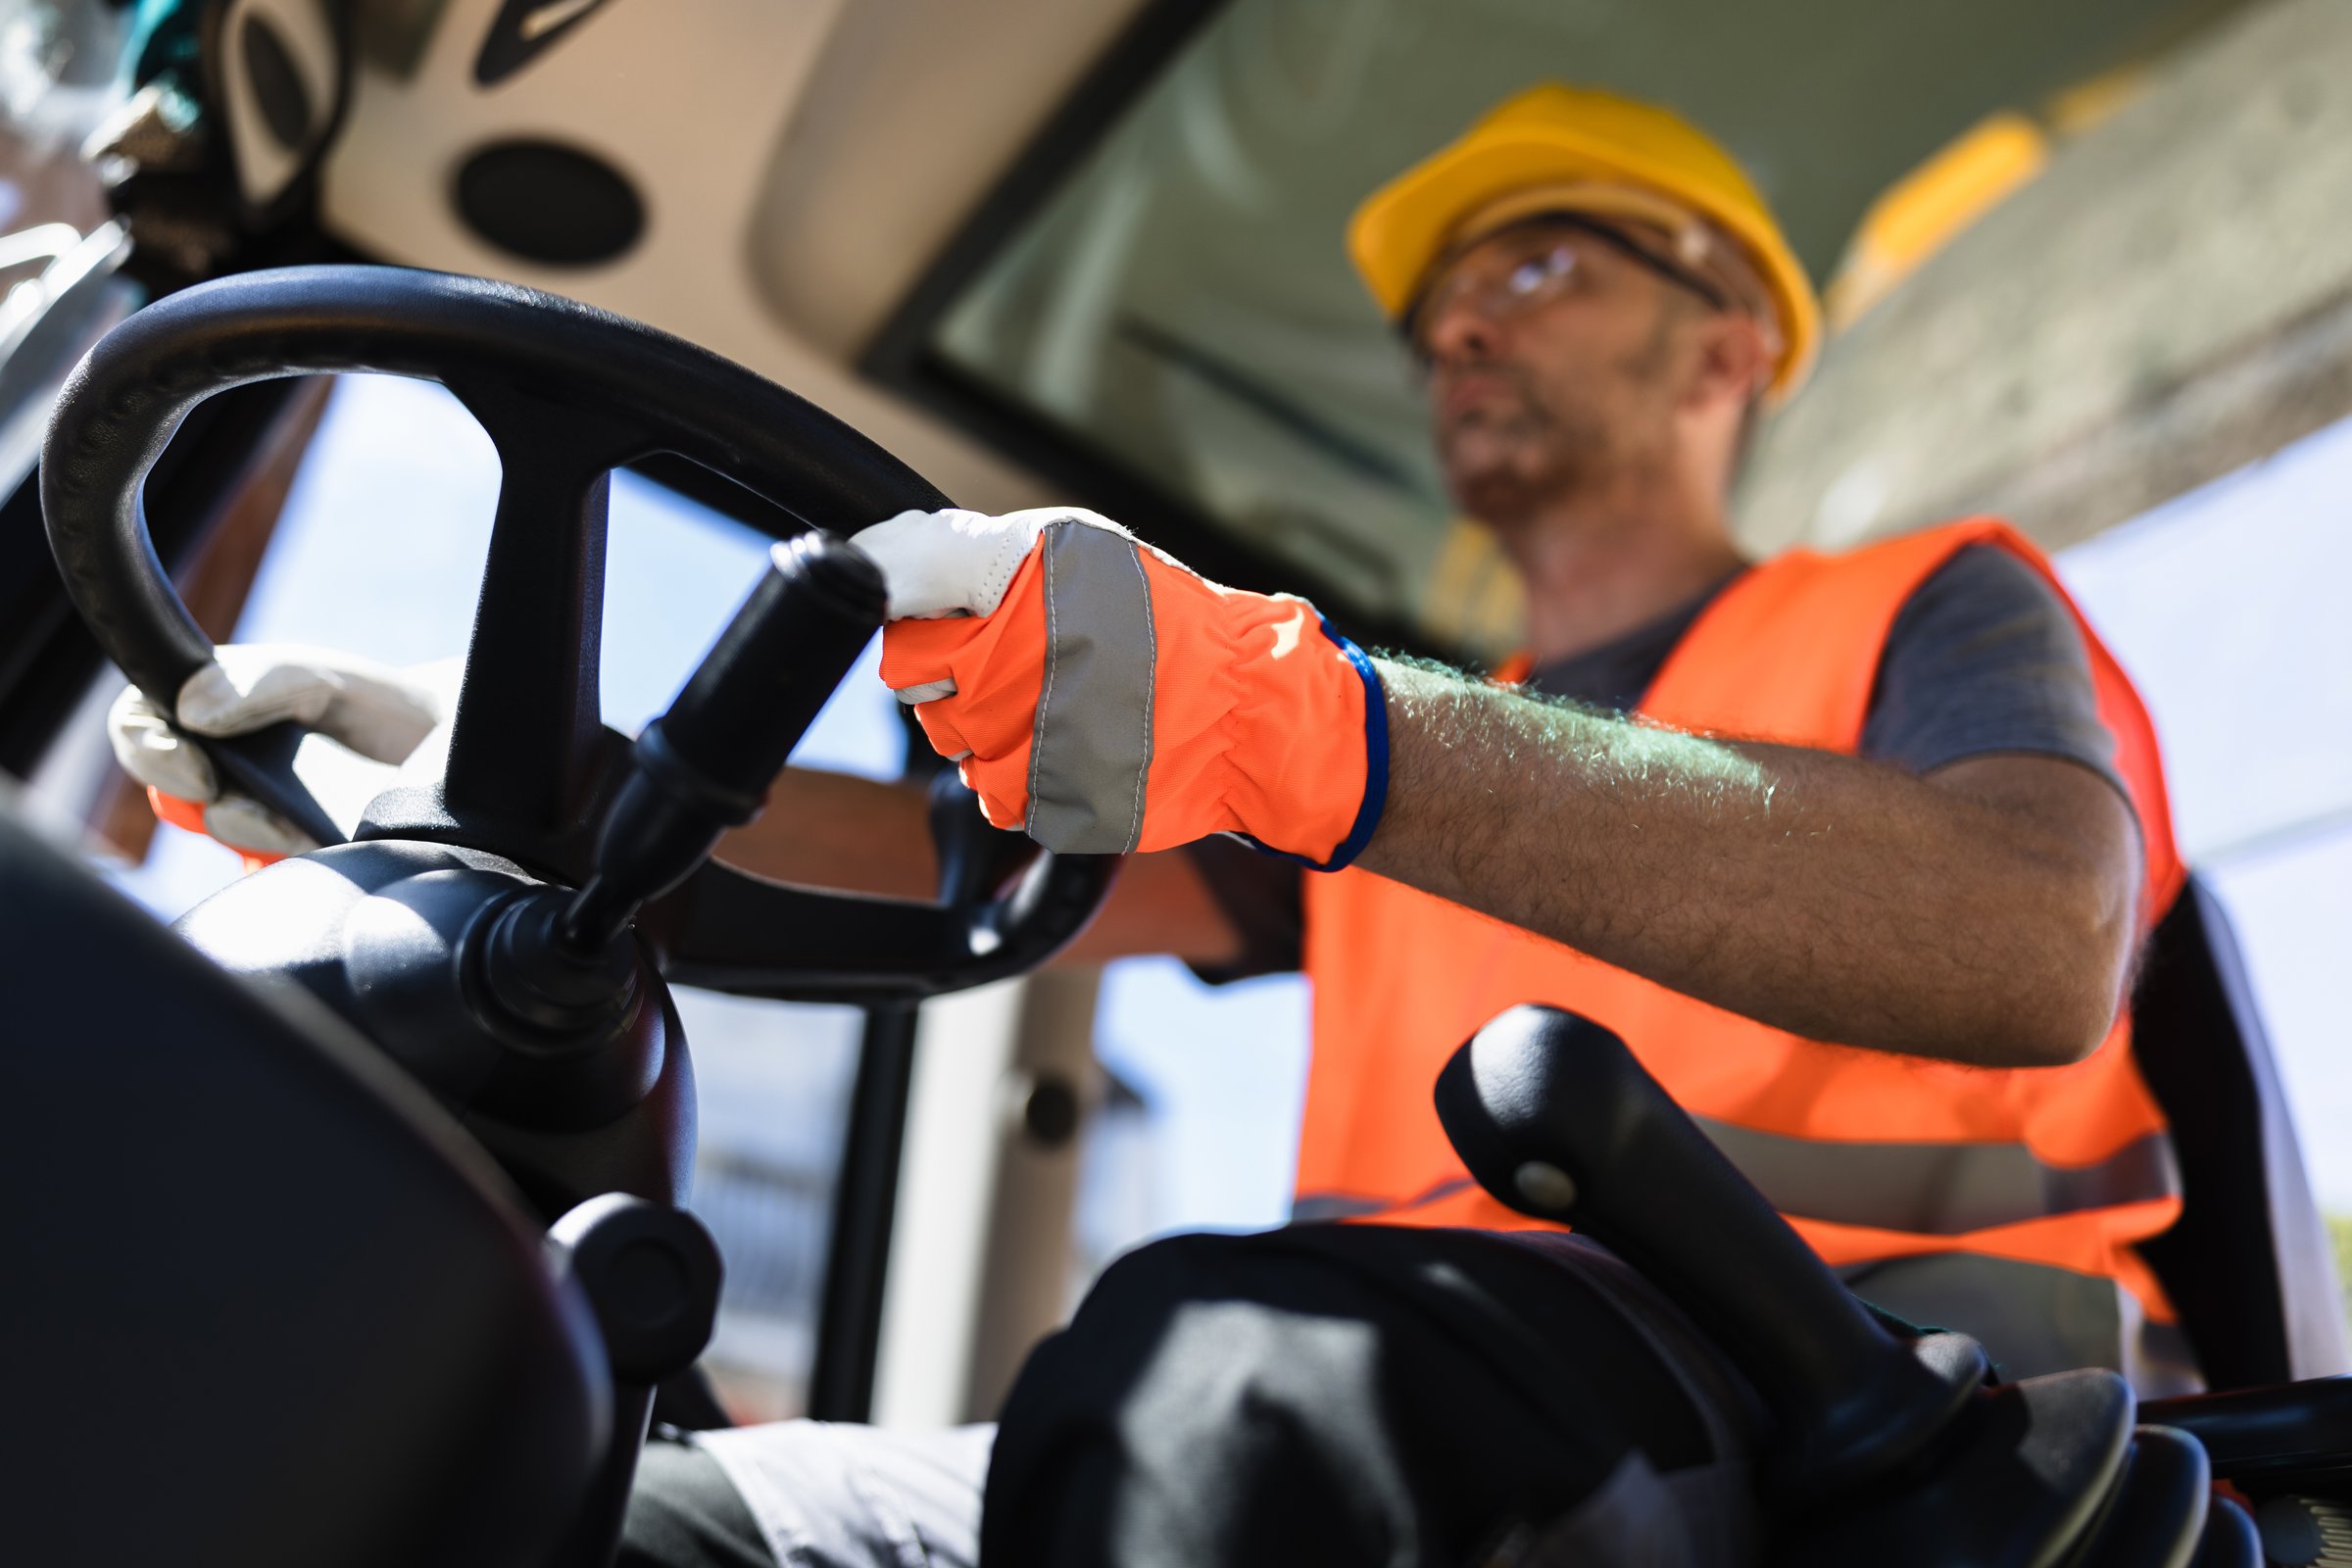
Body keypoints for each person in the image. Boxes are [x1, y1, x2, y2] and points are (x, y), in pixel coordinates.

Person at [112, 84, 2185, 1567]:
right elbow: (961, 868)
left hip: (1853, 1416)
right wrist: (504, 785)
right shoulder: (1426, 755)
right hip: (1403, 1384)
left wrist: (1308, 718)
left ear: (1733, 336)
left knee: (1223, 1382)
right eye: (1437, 303)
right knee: (605, 1505)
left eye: (1537, 264)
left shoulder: (1928, 602)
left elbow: (2026, 935)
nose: (1459, 326)